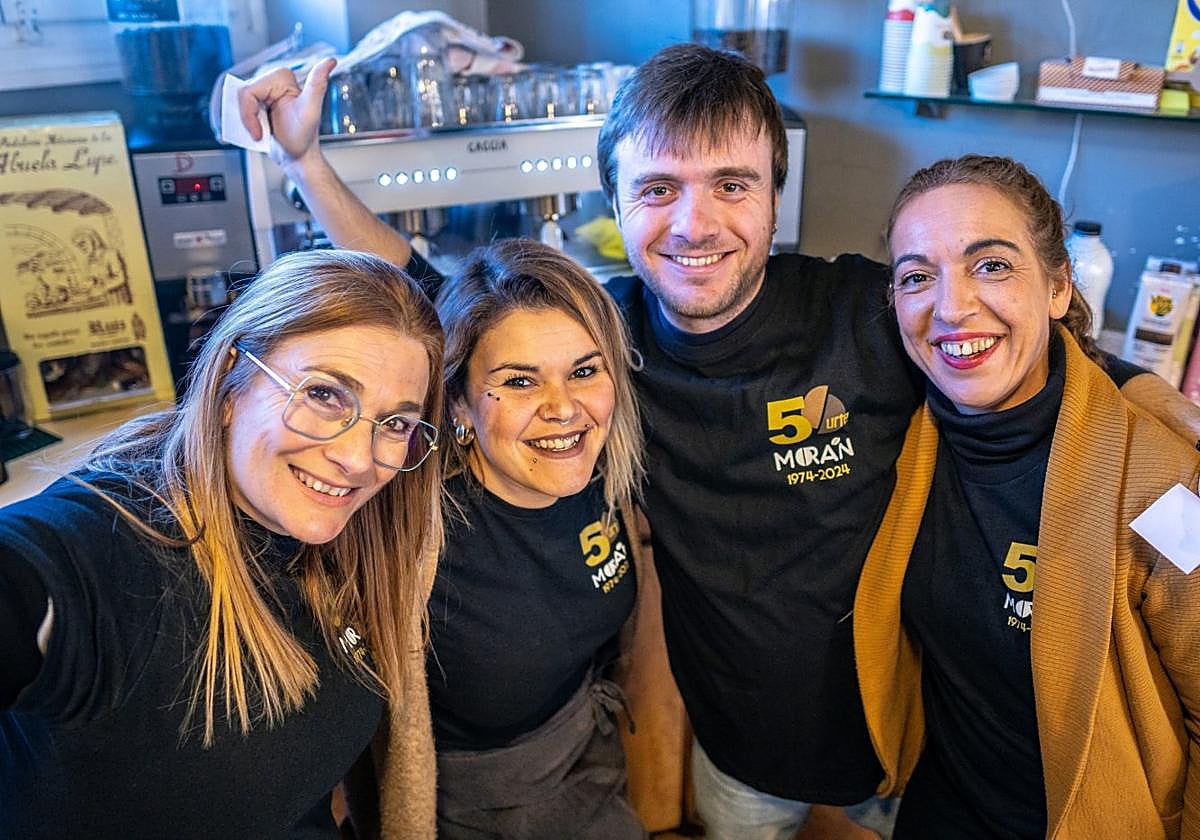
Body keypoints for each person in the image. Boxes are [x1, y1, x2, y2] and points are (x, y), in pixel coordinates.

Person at [236, 44, 1200, 839]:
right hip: (734, 755)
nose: (695, 223)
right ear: (616, 202)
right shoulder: (599, 351)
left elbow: (1018, 341)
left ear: (775, 194)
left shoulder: (866, 310)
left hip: (902, 739)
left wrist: (1167, 405)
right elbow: (437, 291)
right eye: (658, 188)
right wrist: (305, 165)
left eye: (730, 184)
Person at [0, 249, 445, 838]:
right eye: (324, 395)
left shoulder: (352, 543)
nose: (358, 459)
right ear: (233, 381)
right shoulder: (116, 545)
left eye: (394, 424)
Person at [855, 155, 1200, 838]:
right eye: (918, 277)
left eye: (992, 265)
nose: (952, 307)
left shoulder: (1165, 489)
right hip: (938, 812)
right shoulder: (903, 432)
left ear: (1057, 286)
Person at [386, 237, 680, 838]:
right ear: (461, 405)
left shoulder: (602, 478)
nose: (564, 408)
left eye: (584, 371)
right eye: (520, 382)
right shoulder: (415, 540)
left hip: (592, 760)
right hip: (472, 804)